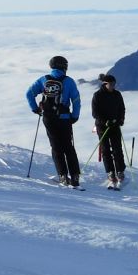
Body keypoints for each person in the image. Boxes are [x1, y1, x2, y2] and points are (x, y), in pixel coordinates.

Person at [26, 55, 82, 188]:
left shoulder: (43, 80)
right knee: (68, 147)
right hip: (64, 118)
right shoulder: (69, 81)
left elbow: (29, 94)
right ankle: (74, 177)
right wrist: (74, 116)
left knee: (56, 147)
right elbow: (76, 100)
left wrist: (35, 109)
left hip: (49, 118)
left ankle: (62, 176)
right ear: (64, 67)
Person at [91, 74, 126, 188]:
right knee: (105, 150)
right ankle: (110, 172)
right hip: (102, 127)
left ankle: (120, 170)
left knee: (117, 149)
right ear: (105, 84)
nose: (113, 86)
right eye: (111, 84)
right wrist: (105, 121)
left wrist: (121, 120)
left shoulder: (117, 94)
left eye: (114, 84)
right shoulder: (97, 95)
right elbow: (95, 113)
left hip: (115, 125)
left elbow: (122, 108)